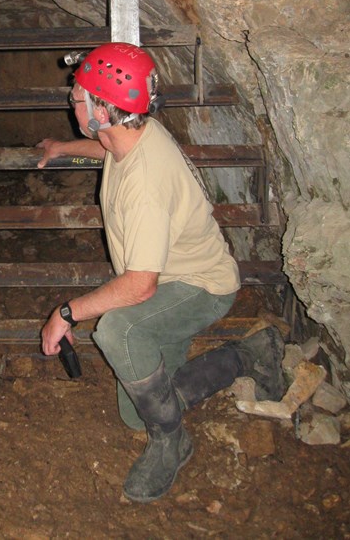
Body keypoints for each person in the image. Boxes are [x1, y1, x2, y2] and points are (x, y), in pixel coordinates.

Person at [38, 42, 285, 504]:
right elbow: (106, 148)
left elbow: (139, 286)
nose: (71, 98)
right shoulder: (130, 133)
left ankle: (171, 443)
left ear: (103, 110)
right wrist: (62, 146)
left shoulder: (147, 184)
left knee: (120, 333)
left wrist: (66, 313)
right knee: (142, 409)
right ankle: (253, 354)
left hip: (198, 287)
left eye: (79, 95)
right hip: (171, 280)